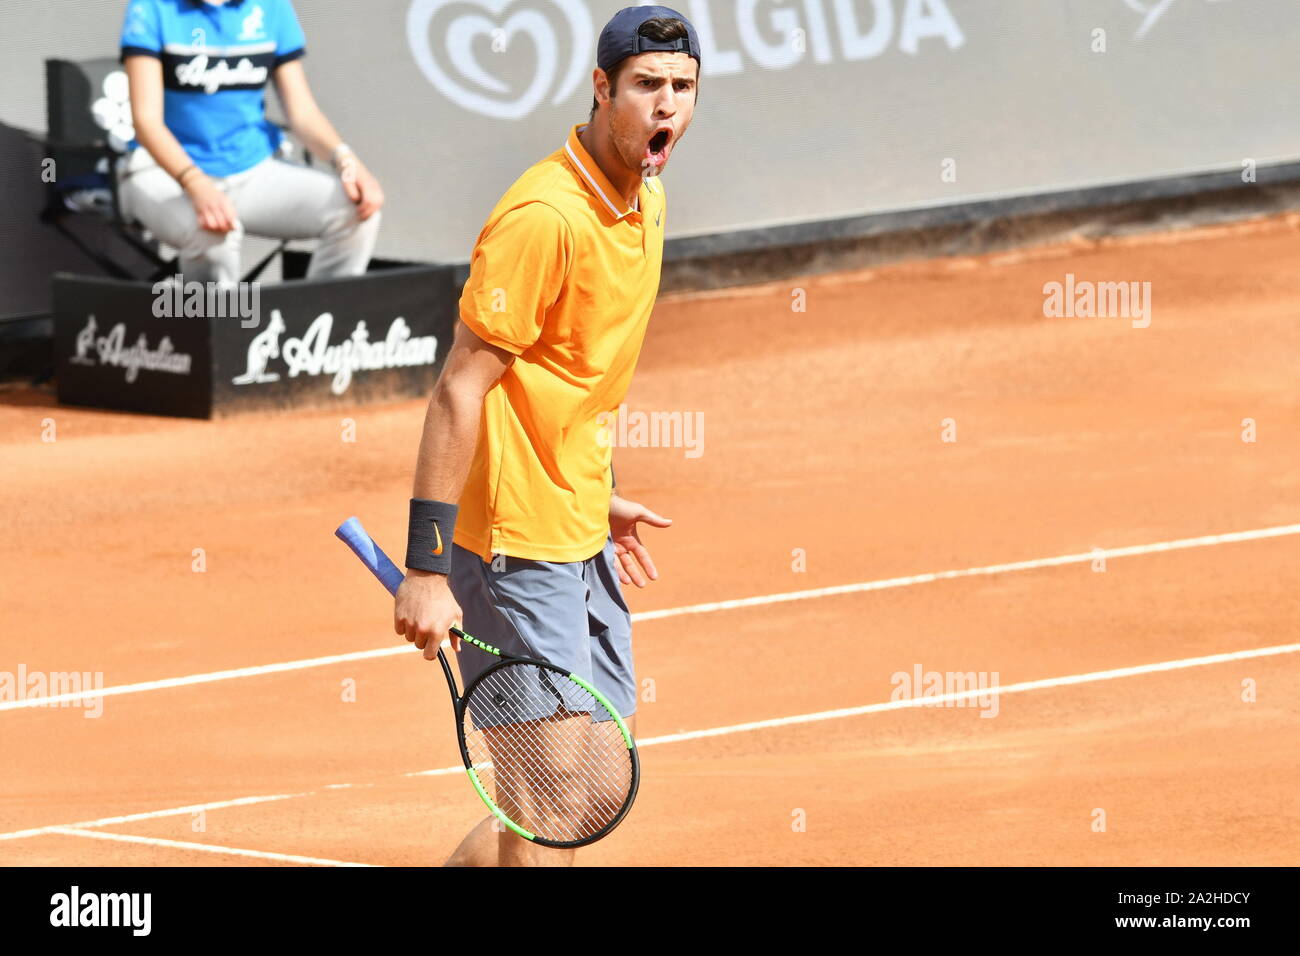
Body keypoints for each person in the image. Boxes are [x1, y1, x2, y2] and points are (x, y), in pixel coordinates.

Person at [393, 6, 701, 866]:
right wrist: (425, 566)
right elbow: (460, 390)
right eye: (646, 86)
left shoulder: (646, 203)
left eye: (682, 88)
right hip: (511, 544)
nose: (665, 106)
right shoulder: (543, 217)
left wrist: (596, 494)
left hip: (575, 528)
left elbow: (567, 380)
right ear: (603, 90)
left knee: (595, 789)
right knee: (546, 802)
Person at [117, 0, 383, 285]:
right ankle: (215, 326)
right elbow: (146, 122)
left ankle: (323, 320)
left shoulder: (273, 7)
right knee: (211, 233)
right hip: (162, 171)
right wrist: (195, 182)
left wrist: (346, 160)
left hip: (252, 169)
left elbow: (302, 113)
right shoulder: (152, 7)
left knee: (356, 209)